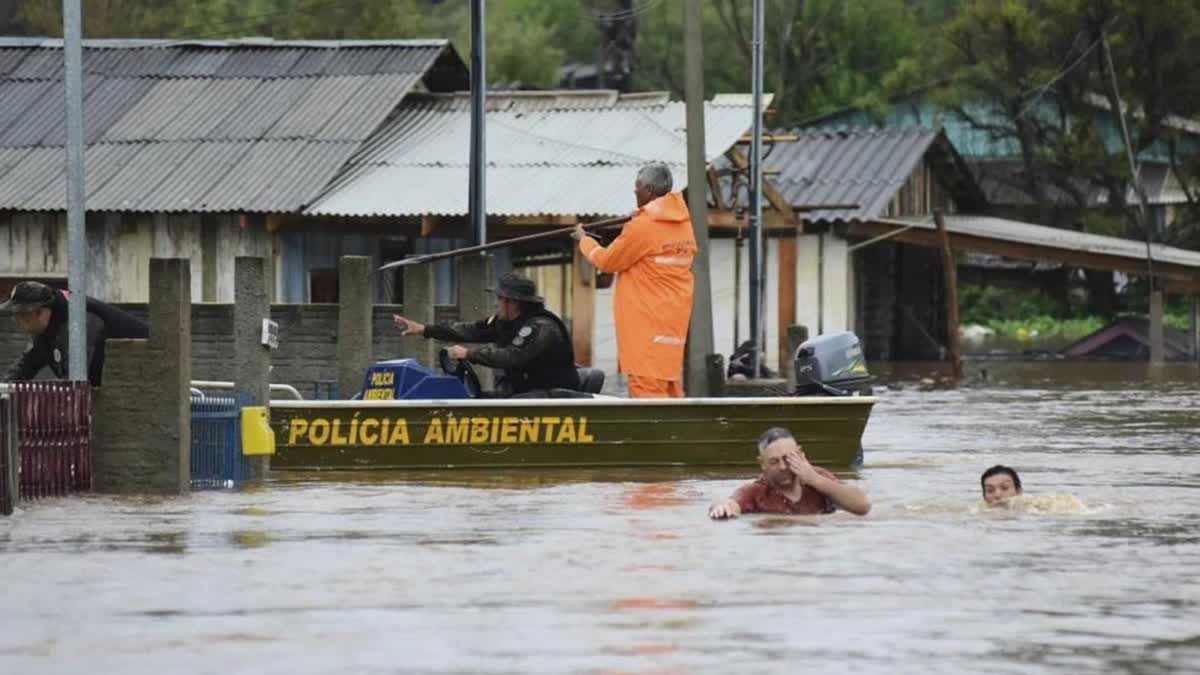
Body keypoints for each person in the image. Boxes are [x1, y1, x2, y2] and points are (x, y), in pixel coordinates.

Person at [572, 162, 697, 399]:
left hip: (645, 324)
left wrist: (584, 240)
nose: (634, 192)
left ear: (649, 190)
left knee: (646, 391)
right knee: (669, 387)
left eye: (637, 187)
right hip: (672, 324)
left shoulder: (643, 227)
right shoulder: (683, 225)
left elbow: (608, 261)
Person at [392, 272, 580, 397]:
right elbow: (471, 330)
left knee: (502, 407)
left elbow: (512, 356)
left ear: (513, 302)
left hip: (552, 395)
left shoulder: (541, 327)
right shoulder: (507, 322)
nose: (496, 303)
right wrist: (425, 329)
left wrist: (468, 354)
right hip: (524, 391)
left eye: (499, 299)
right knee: (478, 399)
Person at [1, 280, 149, 387]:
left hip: (145, 376)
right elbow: (24, 367)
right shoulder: (47, 326)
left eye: (21, 314)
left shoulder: (77, 323)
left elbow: (74, 383)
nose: (16, 320)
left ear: (41, 312)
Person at [709, 427, 871, 519]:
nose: (782, 467)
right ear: (762, 464)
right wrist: (721, 507)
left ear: (800, 454)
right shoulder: (757, 492)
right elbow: (731, 503)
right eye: (774, 461)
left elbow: (863, 506)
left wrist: (815, 480)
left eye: (788, 459)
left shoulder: (817, 478)